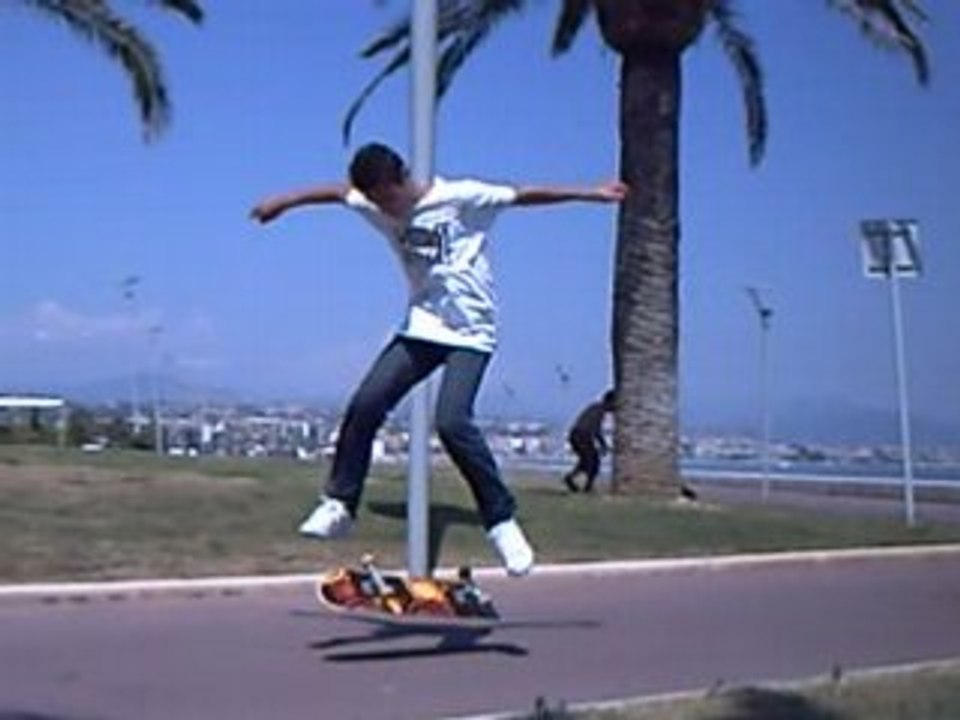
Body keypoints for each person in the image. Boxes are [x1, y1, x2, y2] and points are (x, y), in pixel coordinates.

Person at [251, 142, 628, 576]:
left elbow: (524, 194)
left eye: (387, 200)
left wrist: (591, 194)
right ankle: (340, 503)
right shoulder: (371, 201)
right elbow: (337, 192)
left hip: (472, 332)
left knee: (451, 422)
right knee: (366, 404)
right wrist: (282, 202)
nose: (384, 211)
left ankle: (502, 522)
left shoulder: (460, 196)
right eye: (374, 203)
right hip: (423, 327)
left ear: (401, 181)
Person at [562, 390, 614, 494]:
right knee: (593, 462)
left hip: (576, 435)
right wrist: (604, 445)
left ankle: (572, 479)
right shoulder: (599, 410)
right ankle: (586, 487)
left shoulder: (595, 407)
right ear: (610, 402)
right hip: (581, 435)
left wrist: (602, 444)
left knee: (586, 461)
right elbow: (596, 430)